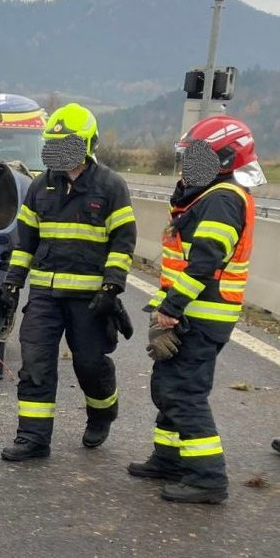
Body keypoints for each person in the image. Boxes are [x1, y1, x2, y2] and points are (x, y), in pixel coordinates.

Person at [130, 115, 264, 504]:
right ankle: (169, 459)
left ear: (224, 159)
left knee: (183, 392)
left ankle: (207, 478)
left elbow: (205, 262)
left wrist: (171, 308)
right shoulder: (209, 195)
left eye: (199, 157)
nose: (189, 165)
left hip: (203, 314)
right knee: (167, 387)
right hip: (196, 311)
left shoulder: (223, 199)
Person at [0, 103, 137, 461]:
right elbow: (24, 241)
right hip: (45, 296)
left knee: (89, 364)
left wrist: (112, 287)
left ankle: (102, 412)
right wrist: (13, 284)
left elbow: (123, 242)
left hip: (89, 298)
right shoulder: (39, 187)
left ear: (86, 144)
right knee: (35, 365)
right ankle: (33, 438)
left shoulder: (110, 187)